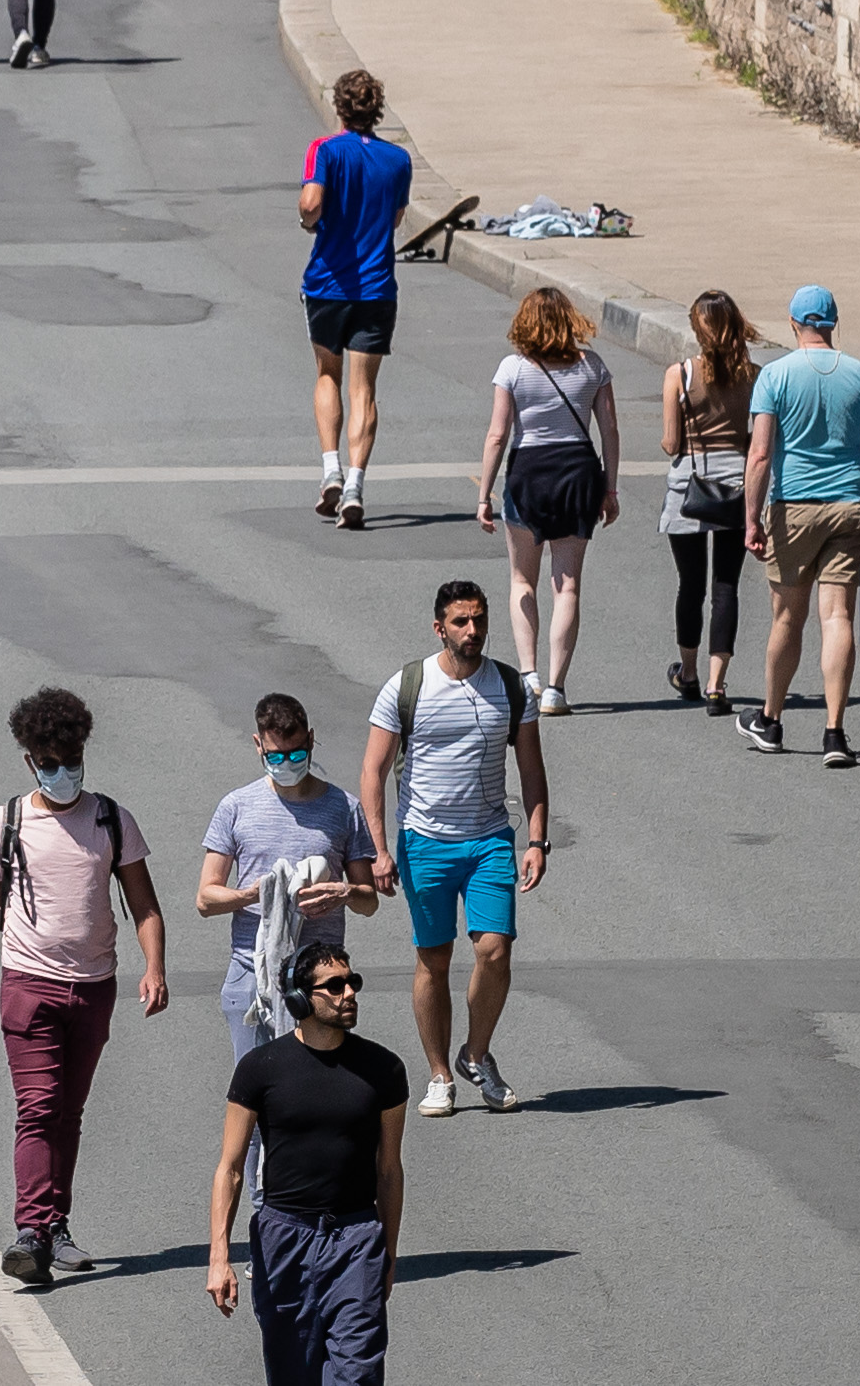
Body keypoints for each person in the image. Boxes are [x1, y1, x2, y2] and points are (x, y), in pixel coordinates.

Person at [0, 686, 168, 1284]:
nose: (64, 773)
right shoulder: (6, 822)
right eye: (51, 764)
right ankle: (31, 1229)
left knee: (69, 1110)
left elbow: (144, 906)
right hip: (27, 985)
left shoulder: (112, 819)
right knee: (38, 1106)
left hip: (94, 989)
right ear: (31, 761)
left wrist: (155, 966)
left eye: (72, 761)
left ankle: (54, 1227)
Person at [360, 579, 549, 1119]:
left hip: (490, 840)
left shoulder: (511, 688)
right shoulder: (408, 686)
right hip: (425, 843)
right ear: (439, 627)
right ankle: (440, 1074)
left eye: (480, 620)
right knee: (433, 961)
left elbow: (532, 770)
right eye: (461, 622)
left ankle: (477, 1052)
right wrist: (379, 849)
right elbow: (373, 772)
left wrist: (536, 840)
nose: (473, 631)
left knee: (495, 950)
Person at [206, 943, 407, 1386]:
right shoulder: (260, 1069)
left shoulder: (385, 1070)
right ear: (300, 999)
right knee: (291, 1373)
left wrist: (387, 1254)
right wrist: (219, 1259)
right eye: (333, 986)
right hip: (284, 1239)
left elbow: (389, 1170)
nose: (348, 994)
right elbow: (231, 1168)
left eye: (351, 983)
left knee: (358, 1373)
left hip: (356, 1238)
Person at [743, 284, 860, 762]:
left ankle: (770, 719)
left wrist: (751, 517)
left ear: (793, 324)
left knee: (788, 615)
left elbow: (761, 454)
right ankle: (834, 731)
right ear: (832, 324)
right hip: (851, 504)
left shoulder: (775, 376)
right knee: (837, 616)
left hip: (794, 507)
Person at [196, 694, 379, 1061]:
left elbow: (369, 900)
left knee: (319, 1092)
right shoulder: (236, 806)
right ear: (258, 745)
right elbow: (206, 898)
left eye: (296, 754)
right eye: (275, 756)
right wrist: (254, 894)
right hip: (253, 971)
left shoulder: (344, 808)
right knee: (256, 1095)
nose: (286, 764)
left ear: (310, 740)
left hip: (321, 979)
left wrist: (343, 893)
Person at [472, 285, 619, 713]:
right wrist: (610, 488)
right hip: (578, 471)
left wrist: (484, 494)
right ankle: (556, 687)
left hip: (528, 473)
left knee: (523, 580)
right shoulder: (593, 367)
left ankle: (528, 675)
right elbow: (609, 430)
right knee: (567, 584)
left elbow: (499, 434)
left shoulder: (513, 369)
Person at [298, 69, 414, 528]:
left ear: (340, 107)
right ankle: (355, 487)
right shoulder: (398, 159)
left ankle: (331, 471)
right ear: (377, 109)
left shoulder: (324, 151)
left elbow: (310, 204)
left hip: (328, 284)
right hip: (377, 287)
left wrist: (311, 224)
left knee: (328, 373)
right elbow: (397, 216)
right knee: (365, 389)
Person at [660, 290, 759, 714]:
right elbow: (757, 439)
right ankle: (718, 685)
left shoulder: (680, 374)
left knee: (690, 584)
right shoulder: (754, 375)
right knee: (726, 587)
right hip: (737, 485)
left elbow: (670, 443)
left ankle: (689, 673)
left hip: (690, 487)